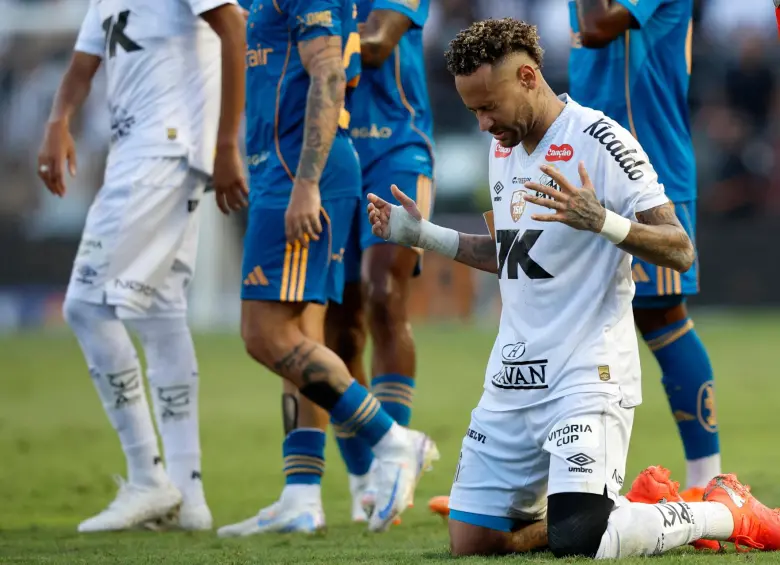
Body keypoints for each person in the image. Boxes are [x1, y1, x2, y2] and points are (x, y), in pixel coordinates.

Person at [368, 18, 780, 558]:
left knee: (583, 538)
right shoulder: (503, 145)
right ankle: (608, 507)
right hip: (513, 378)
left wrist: (603, 221)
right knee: (472, 542)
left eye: (489, 105)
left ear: (528, 76)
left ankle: (725, 510)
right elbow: (511, 256)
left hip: (587, 376)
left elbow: (681, 250)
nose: (483, 122)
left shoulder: (600, 139)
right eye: (473, 111)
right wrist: (421, 234)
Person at [215, 0, 438, 537]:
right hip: (299, 160)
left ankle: (392, 445)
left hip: (369, 154)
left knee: (372, 300)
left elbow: (356, 54)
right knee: (320, 331)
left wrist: (306, 179)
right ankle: (328, 485)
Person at [36, 0, 247, 532]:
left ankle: (147, 477)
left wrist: (226, 143)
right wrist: (58, 120)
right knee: (159, 315)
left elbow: (234, 30)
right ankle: (188, 494)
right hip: (145, 154)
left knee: (85, 306)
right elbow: (82, 67)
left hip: (164, 152)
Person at [568, 0, 721, 499]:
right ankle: (575, 485)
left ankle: (706, 481)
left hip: (650, 172)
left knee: (661, 317)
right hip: (584, 169)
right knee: (577, 318)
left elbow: (596, 28)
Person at [323, 0, 436, 522]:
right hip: (325, 149)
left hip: (397, 146)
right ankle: (364, 472)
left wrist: (298, 43)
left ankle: (394, 466)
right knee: (338, 326)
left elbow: (376, 43)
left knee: (382, 293)